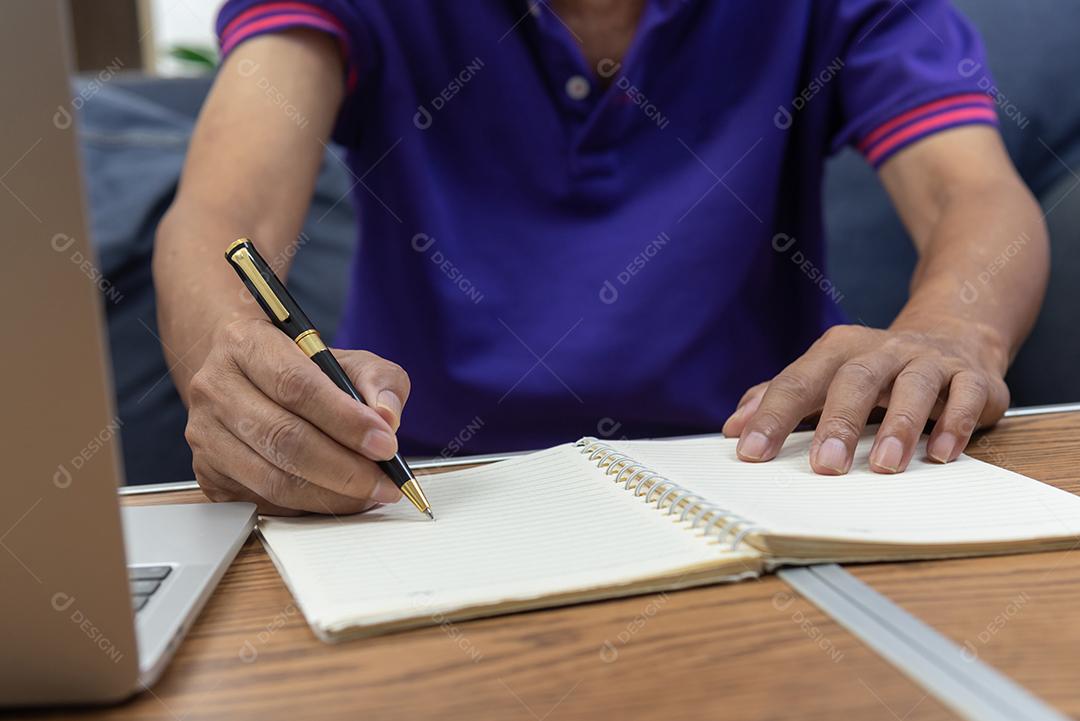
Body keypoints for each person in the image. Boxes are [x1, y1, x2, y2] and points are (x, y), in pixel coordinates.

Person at [154, 0, 1048, 515]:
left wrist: (954, 329)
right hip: (415, 488)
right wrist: (232, 371)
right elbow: (219, 219)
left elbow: (971, 191)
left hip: (768, 476)